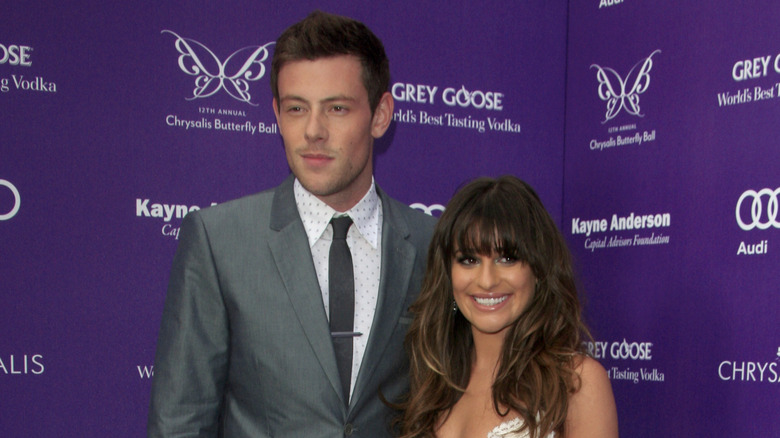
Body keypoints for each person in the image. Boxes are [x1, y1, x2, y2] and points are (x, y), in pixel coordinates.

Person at [147, 11, 436, 438]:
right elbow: (180, 422)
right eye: (296, 108)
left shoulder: (433, 245)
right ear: (277, 116)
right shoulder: (219, 241)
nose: (313, 131)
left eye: (337, 108)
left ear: (380, 114)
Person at [399, 176, 618, 438]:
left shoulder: (576, 383)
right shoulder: (433, 380)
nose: (487, 281)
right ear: (448, 273)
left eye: (507, 259)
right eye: (469, 260)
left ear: (539, 270)